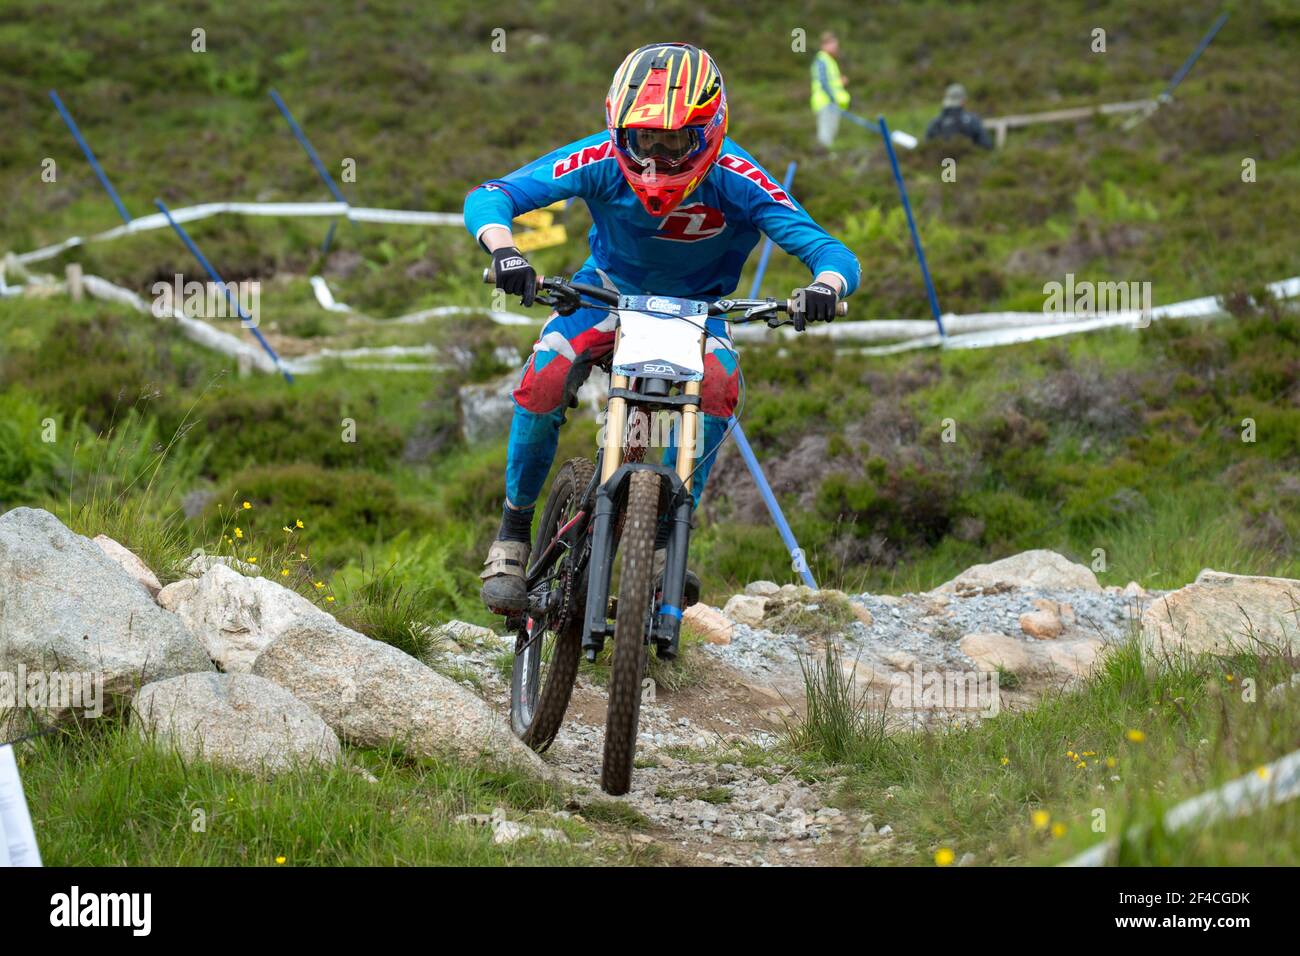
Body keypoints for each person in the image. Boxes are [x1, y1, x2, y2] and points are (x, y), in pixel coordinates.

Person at [465, 42, 861, 612]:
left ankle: (671, 535)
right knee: (547, 374)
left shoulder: (738, 177)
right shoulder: (600, 158)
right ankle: (512, 532)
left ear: (709, 130)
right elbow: (492, 195)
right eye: (641, 140)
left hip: (698, 309)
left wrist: (825, 288)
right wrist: (505, 252)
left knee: (721, 389)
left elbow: (830, 251)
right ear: (617, 127)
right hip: (604, 292)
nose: (653, 159)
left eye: (673, 142)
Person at [809, 32, 851, 150]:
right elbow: (823, 82)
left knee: (830, 135)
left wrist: (839, 82)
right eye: (832, 44)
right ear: (824, 45)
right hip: (826, 103)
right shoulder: (822, 60)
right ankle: (824, 159)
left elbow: (830, 81)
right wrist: (832, 99)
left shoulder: (829, 61)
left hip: (830, 103)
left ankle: (827, 159)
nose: (835, 47)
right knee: (825, 136)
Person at [924, 83, 994, 149]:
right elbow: (987, 145)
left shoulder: (935, 122)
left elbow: (926, 147)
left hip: (942, 161)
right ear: (963, 101)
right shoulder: (972, 120)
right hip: (969, 160)